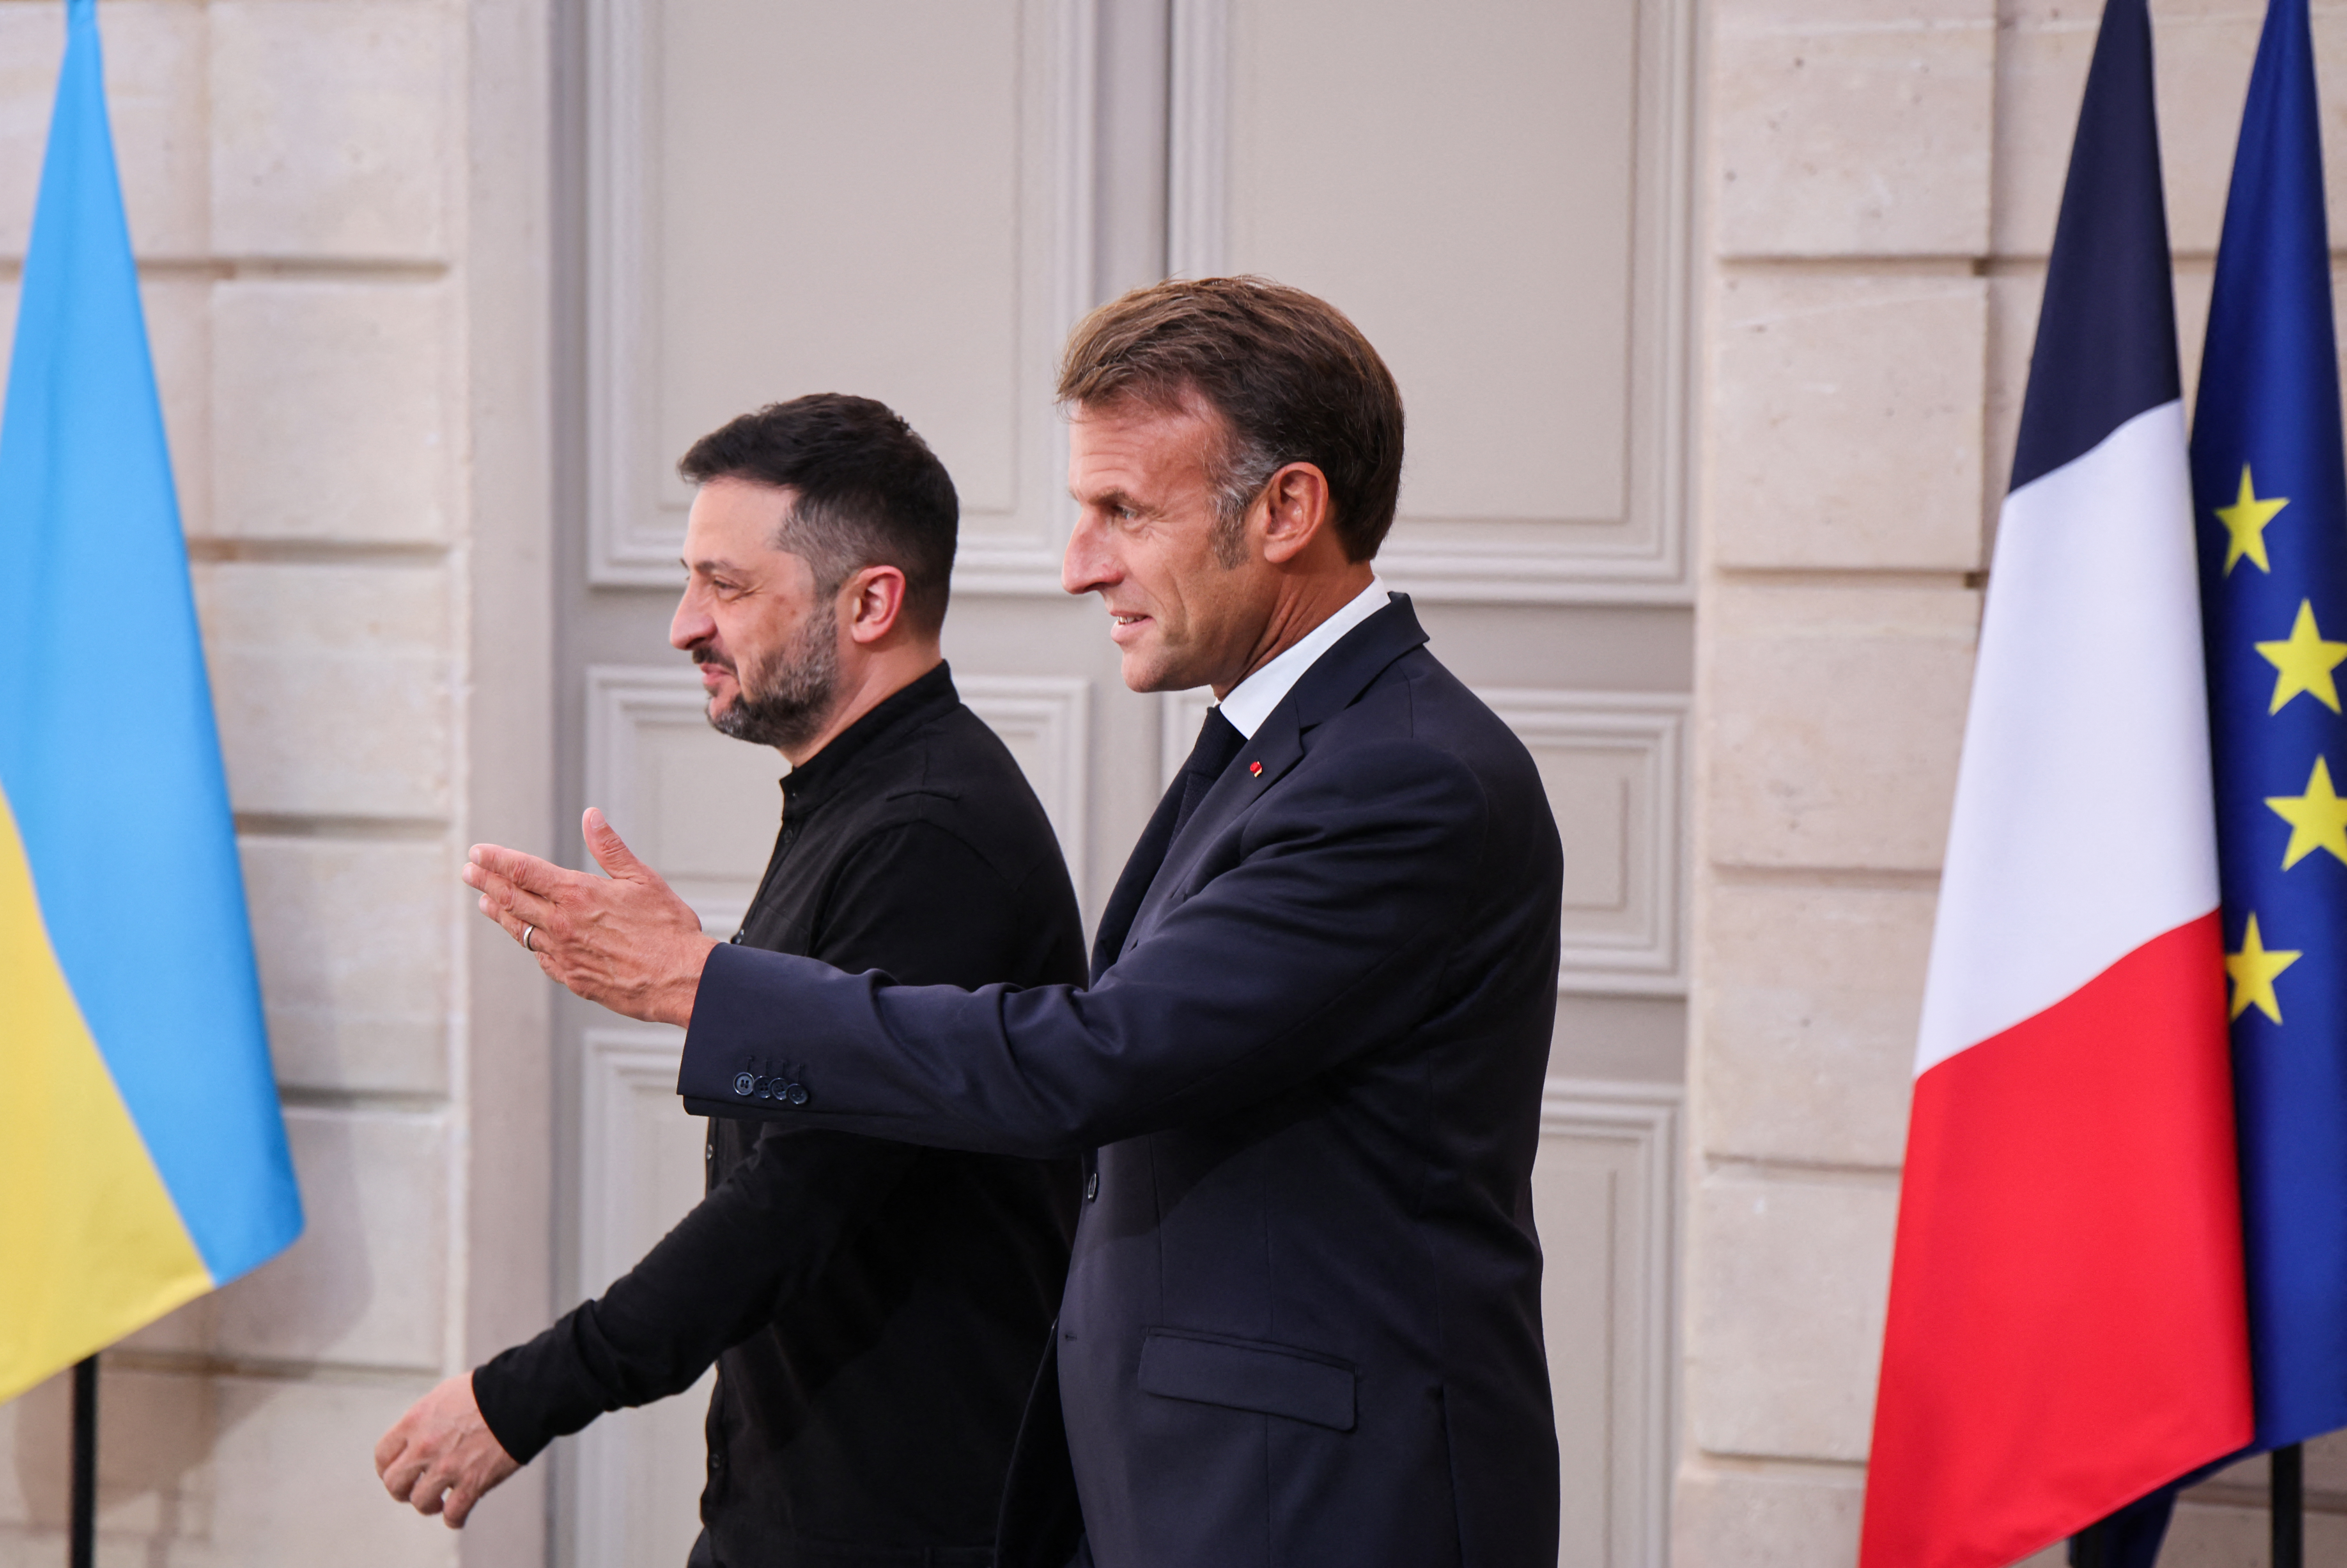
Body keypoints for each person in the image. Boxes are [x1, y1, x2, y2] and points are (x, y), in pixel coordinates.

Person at [459, 280, 1566, 1568]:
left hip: (1315, 1505)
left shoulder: (1403, 777)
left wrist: (704, 987)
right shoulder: (1286, 749)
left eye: (1123, 512)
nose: (1079, 563)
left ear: (1286, 510)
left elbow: (1096, 1061)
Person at [373, 394, 1088, 1568]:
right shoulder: (860, 798)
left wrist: (522, 1396)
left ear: (870, 604)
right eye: (688, 581)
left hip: (909, 1531)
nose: (683, 626)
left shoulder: (929, 831)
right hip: (808, 1508)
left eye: (726, 585)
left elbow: (793, 1205)